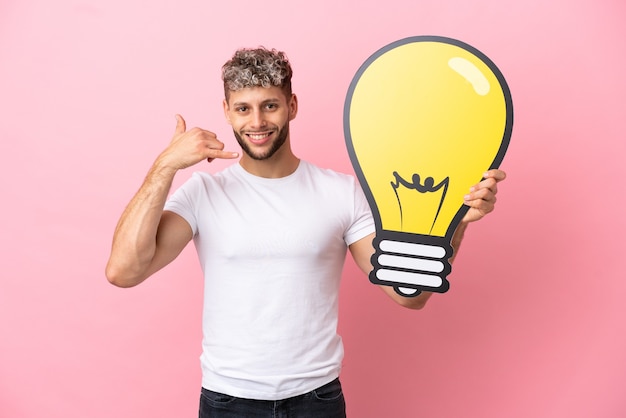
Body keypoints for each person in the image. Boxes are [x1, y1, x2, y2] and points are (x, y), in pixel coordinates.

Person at [105, 47, 506, 418]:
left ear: (291, 106)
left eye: (270, 106)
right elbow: (124, 272)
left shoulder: (340, 192)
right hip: (228, 400)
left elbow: (409, 296)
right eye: (243, 108)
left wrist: (457, 222)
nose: (257, 121)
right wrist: (165, 167)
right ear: (226, 111)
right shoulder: (203, 193)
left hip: (317, 400)